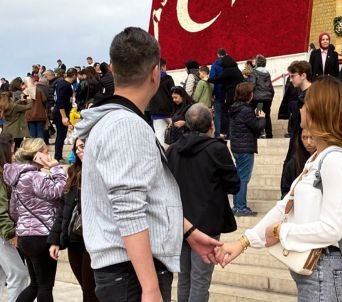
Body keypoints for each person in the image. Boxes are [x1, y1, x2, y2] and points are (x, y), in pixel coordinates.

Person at [75, 27, 221, 302]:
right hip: (132, 275)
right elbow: (129, 208)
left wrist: (187, 231)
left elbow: (148, 197)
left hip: (128, 273)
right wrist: (150, 288)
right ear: (155, 73)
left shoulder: (117, 121)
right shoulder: (126, 125)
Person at [216, 76, 342, 302]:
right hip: (315, 272)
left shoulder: (335, 160)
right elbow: (286, 205)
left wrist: (281, 232)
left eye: (305, 104)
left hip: (325, 271)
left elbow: (332, 229)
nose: (300, 109)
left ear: (318, 112)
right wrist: (244, 242)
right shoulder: (319, 158)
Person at [166, 104, 240, 302]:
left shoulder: (173, 150)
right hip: (207, 222)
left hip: (180, 222)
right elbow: (234, 185)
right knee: (200, 279)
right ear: (211, 125)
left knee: (185, 278)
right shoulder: (217, 149)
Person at [3, 138, 67, 302]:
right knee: (45, 285)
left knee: (35, 285)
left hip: (26, 237)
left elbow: (13, 211)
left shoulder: (18, 178)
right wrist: (56, 168)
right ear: (36, 155)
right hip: (41, 236)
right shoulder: (35, 176)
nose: (49, 154)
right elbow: (57, 191)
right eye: (46, 151)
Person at [48, 139, 98, 302]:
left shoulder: (101, 171)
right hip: (74, 239)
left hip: (94, 240)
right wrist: (55, 240)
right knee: (86, 287)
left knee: (90, 290)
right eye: (76, 148)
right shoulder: (74, 172)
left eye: (82, 146)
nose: (78, 151)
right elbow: (63, 210)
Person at [229, 82, 265, 217]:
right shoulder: (246, 110)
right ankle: (240, 207)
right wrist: (262, 119)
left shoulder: (234, 108)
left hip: (236, 146)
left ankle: (237, 205)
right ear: (248, 95)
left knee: (239, 176)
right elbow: (256, 127)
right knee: (243, 178)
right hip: (245, 147)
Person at [0, 134, 29, 302]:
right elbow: (1, 209)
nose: (15, 151)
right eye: (12, 148)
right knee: (18, 275)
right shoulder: (2, 176)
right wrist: (10, 232)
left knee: (4, 274)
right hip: (3, 233)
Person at [208, 55, 244, 138]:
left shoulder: (228, 71)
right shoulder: (237, 70)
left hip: (230, 96)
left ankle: (230, 134)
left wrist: (208, 79)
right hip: (238, 95)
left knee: (229, 115)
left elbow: (218, 79)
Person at [280, 127, 316, 199]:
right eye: (304, 137)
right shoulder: (293, 163)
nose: (308, 142)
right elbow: (285, 190)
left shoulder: (326, 159)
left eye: (312, 137)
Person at [148, 58, 175, 148]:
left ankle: (163, 155)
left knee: (159, 135)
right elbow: (173, 95)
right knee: (174, 134)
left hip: (156, 112)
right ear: (163, 66)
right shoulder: (168, 79)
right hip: (169, 110)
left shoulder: (150, 81)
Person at [53, 68, 77, 163]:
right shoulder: (65, 86)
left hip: (62, 111)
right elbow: (61, 102)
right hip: (60, 113)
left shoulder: (62, 83)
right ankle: (58, 156)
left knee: (61, 135)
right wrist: (64, 116)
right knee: (61, 136)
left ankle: (58, 155)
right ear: (74, 75)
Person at [250, 54, 275, 139]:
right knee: (267, 115)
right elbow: (271, 88)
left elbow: (252, 85)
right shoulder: (267, 73)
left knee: (258, 114)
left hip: (258, 98)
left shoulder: (254, 72)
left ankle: (259, 133)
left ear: (257, 62)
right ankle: (269, 134)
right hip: (267, 98)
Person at [209, 48, 226, 138]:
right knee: (226, 113)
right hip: (228, 93)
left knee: (218, 113)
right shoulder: (230, 64)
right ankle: (227, 132)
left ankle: (218, 133)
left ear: (218, 55)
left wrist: (212, 93)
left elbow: (211, 79)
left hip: (218, 92)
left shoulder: (215, 65)